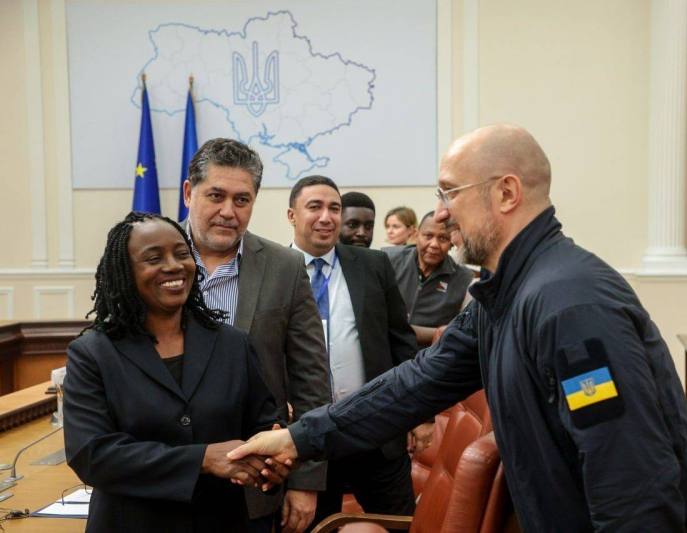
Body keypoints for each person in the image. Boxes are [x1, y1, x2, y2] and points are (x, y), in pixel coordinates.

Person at [230, 125, 687, 532]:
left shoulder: (570, 305)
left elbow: (629, 478)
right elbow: (415, 383)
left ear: (506, 193)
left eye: (450, 192)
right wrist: (299, 437)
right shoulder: (502, 294)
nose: (441, 214)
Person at [63, 212, 289, 532]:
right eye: (154, 258)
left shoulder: (233, 344)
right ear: (124, 271)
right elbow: (92, 454)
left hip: (221, 521)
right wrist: (203, 459)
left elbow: (263, 424)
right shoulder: (93, 353)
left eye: (182, 253)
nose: (173, 266)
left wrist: (271, 462)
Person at [182, 138, 330, 533]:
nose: (228, 211)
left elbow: (311, 381)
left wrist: (305, 481)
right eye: (216, 196)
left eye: (242, 200)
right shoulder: (150, 258)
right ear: (189, 193)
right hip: (168, 484)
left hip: (257, 483)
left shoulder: (285, 267)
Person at [287, 175, 434, 528]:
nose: (326, 217)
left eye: (334, 208)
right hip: (309, 441)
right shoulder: (274, 270)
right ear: (292, 215)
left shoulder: (373, 265)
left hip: (376, 433)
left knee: (400, 523)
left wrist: (421, 415)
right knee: (318, 527)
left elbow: (401, 341)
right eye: (315, 207)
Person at [383, 211, 473, 346]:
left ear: (451, 242)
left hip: (429, 355)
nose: (434, 244)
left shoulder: (464, 278)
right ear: (416, 235)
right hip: (387, 350)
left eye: (443, 238)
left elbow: (461, 331)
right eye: (428, 236)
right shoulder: (388, 260)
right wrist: (435, 333)